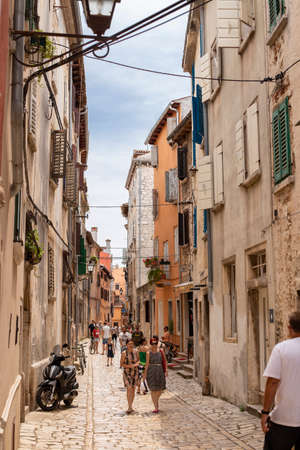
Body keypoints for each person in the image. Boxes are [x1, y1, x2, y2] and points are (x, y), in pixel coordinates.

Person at [262, 311, 300, 450]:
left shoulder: (281, 349)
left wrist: (265, 412)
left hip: (284, 419)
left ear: (289, 328)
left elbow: (272, 382)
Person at [143, 335, 167, 413]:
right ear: (150, 344)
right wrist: (144, 374)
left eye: (155, 343)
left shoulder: (161, 351)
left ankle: (156, 400)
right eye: (152, 344)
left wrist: (166, 371)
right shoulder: (148, 353)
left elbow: (164, 361)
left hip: (159, 370)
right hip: (151, 371)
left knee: (160, 389)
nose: (154, 345)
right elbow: (146, 364)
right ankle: (156, 406)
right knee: (153, 389)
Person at [120, 339, 139, 414]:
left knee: (133, 389)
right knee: (129, 388)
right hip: (127, 373)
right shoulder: (124, 353)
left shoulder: (136, 352)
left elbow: (139, 361)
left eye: (132, 344)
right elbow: (121, 364)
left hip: (135, 373)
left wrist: (135, 365)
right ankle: (129, 406)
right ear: (126, 345)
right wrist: (129, 366)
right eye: (129, 344)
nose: (131, 345)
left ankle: (131, 405)